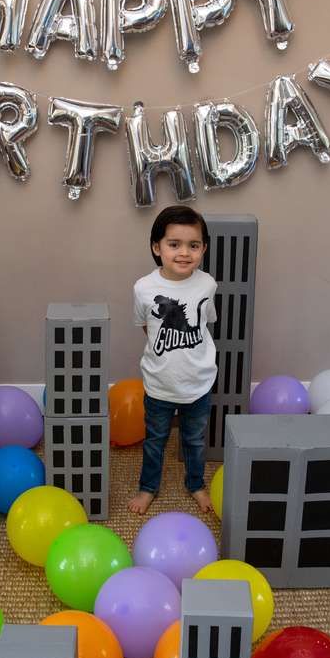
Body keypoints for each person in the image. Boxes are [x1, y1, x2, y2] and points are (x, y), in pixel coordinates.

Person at [129, 204, 217, 515]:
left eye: (193, 245)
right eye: (174, 244)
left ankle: (195, 483)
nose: (184, 253)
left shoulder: (207, 284)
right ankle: (148, 487)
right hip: (159, 384)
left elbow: (204, 324)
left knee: (194, 440)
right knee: (155, 441)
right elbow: (146, 326)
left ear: (203, 248)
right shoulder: (144, 288)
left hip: (199, 382)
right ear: (157, 247)